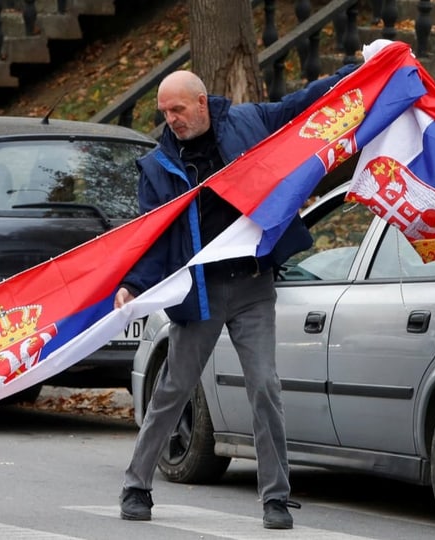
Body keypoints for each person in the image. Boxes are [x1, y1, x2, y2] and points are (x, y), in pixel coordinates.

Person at [114, 65, 356, 530]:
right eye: (165, 113)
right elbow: (152, 236)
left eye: (178, 109)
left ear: (202, 103)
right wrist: (134, 285)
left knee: (265, 387)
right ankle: (136, 485)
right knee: (174, 388)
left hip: (252, 284)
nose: (172, 120)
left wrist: (358, 71)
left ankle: (276, 499)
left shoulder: (248, 122)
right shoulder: (158, 165)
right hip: (199, 291)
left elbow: (301, 102)